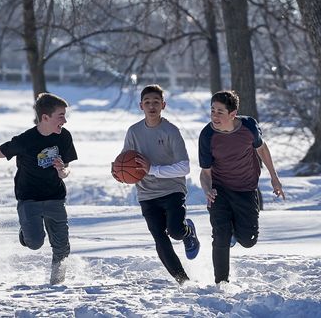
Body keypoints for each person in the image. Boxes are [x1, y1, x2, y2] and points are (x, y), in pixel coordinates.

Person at [0, 92, 78, 285]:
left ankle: (56, 285)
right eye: (61, 116)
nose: (65, 121)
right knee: (35, 243)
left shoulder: (64, 137)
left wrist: (62, 171)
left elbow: (66, 170)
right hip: (29, 200)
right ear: (45, 118)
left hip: (55, 198)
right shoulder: (25, 141)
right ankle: (26, 233)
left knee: (62, 247)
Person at [198, 90, 286, 284]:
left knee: (248, 240)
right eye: (212, 110)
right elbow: (205, 173)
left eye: (220, 111)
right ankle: (221, 284)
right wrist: (207, 190)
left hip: (246, 189)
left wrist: (274, 177)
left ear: (232, 113)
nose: (214, 115)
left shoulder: (249, 127)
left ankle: (234, 234)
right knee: (220, 235)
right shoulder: (207, 135)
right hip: (219, 190)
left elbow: (261, 148)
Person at [116, 84, 200, 285]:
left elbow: (184, 167)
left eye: (156, 102)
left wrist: (152, 169)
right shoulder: (134, 131)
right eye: (147, 102)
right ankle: (183, 280)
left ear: (164, 105)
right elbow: (126, 159)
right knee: (160, 238)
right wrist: (119, 171)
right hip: (147, 194)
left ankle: (188, 232)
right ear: (140, 106)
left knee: (175, 232)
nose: (151, 106)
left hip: (172, 190)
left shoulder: (171, 131)